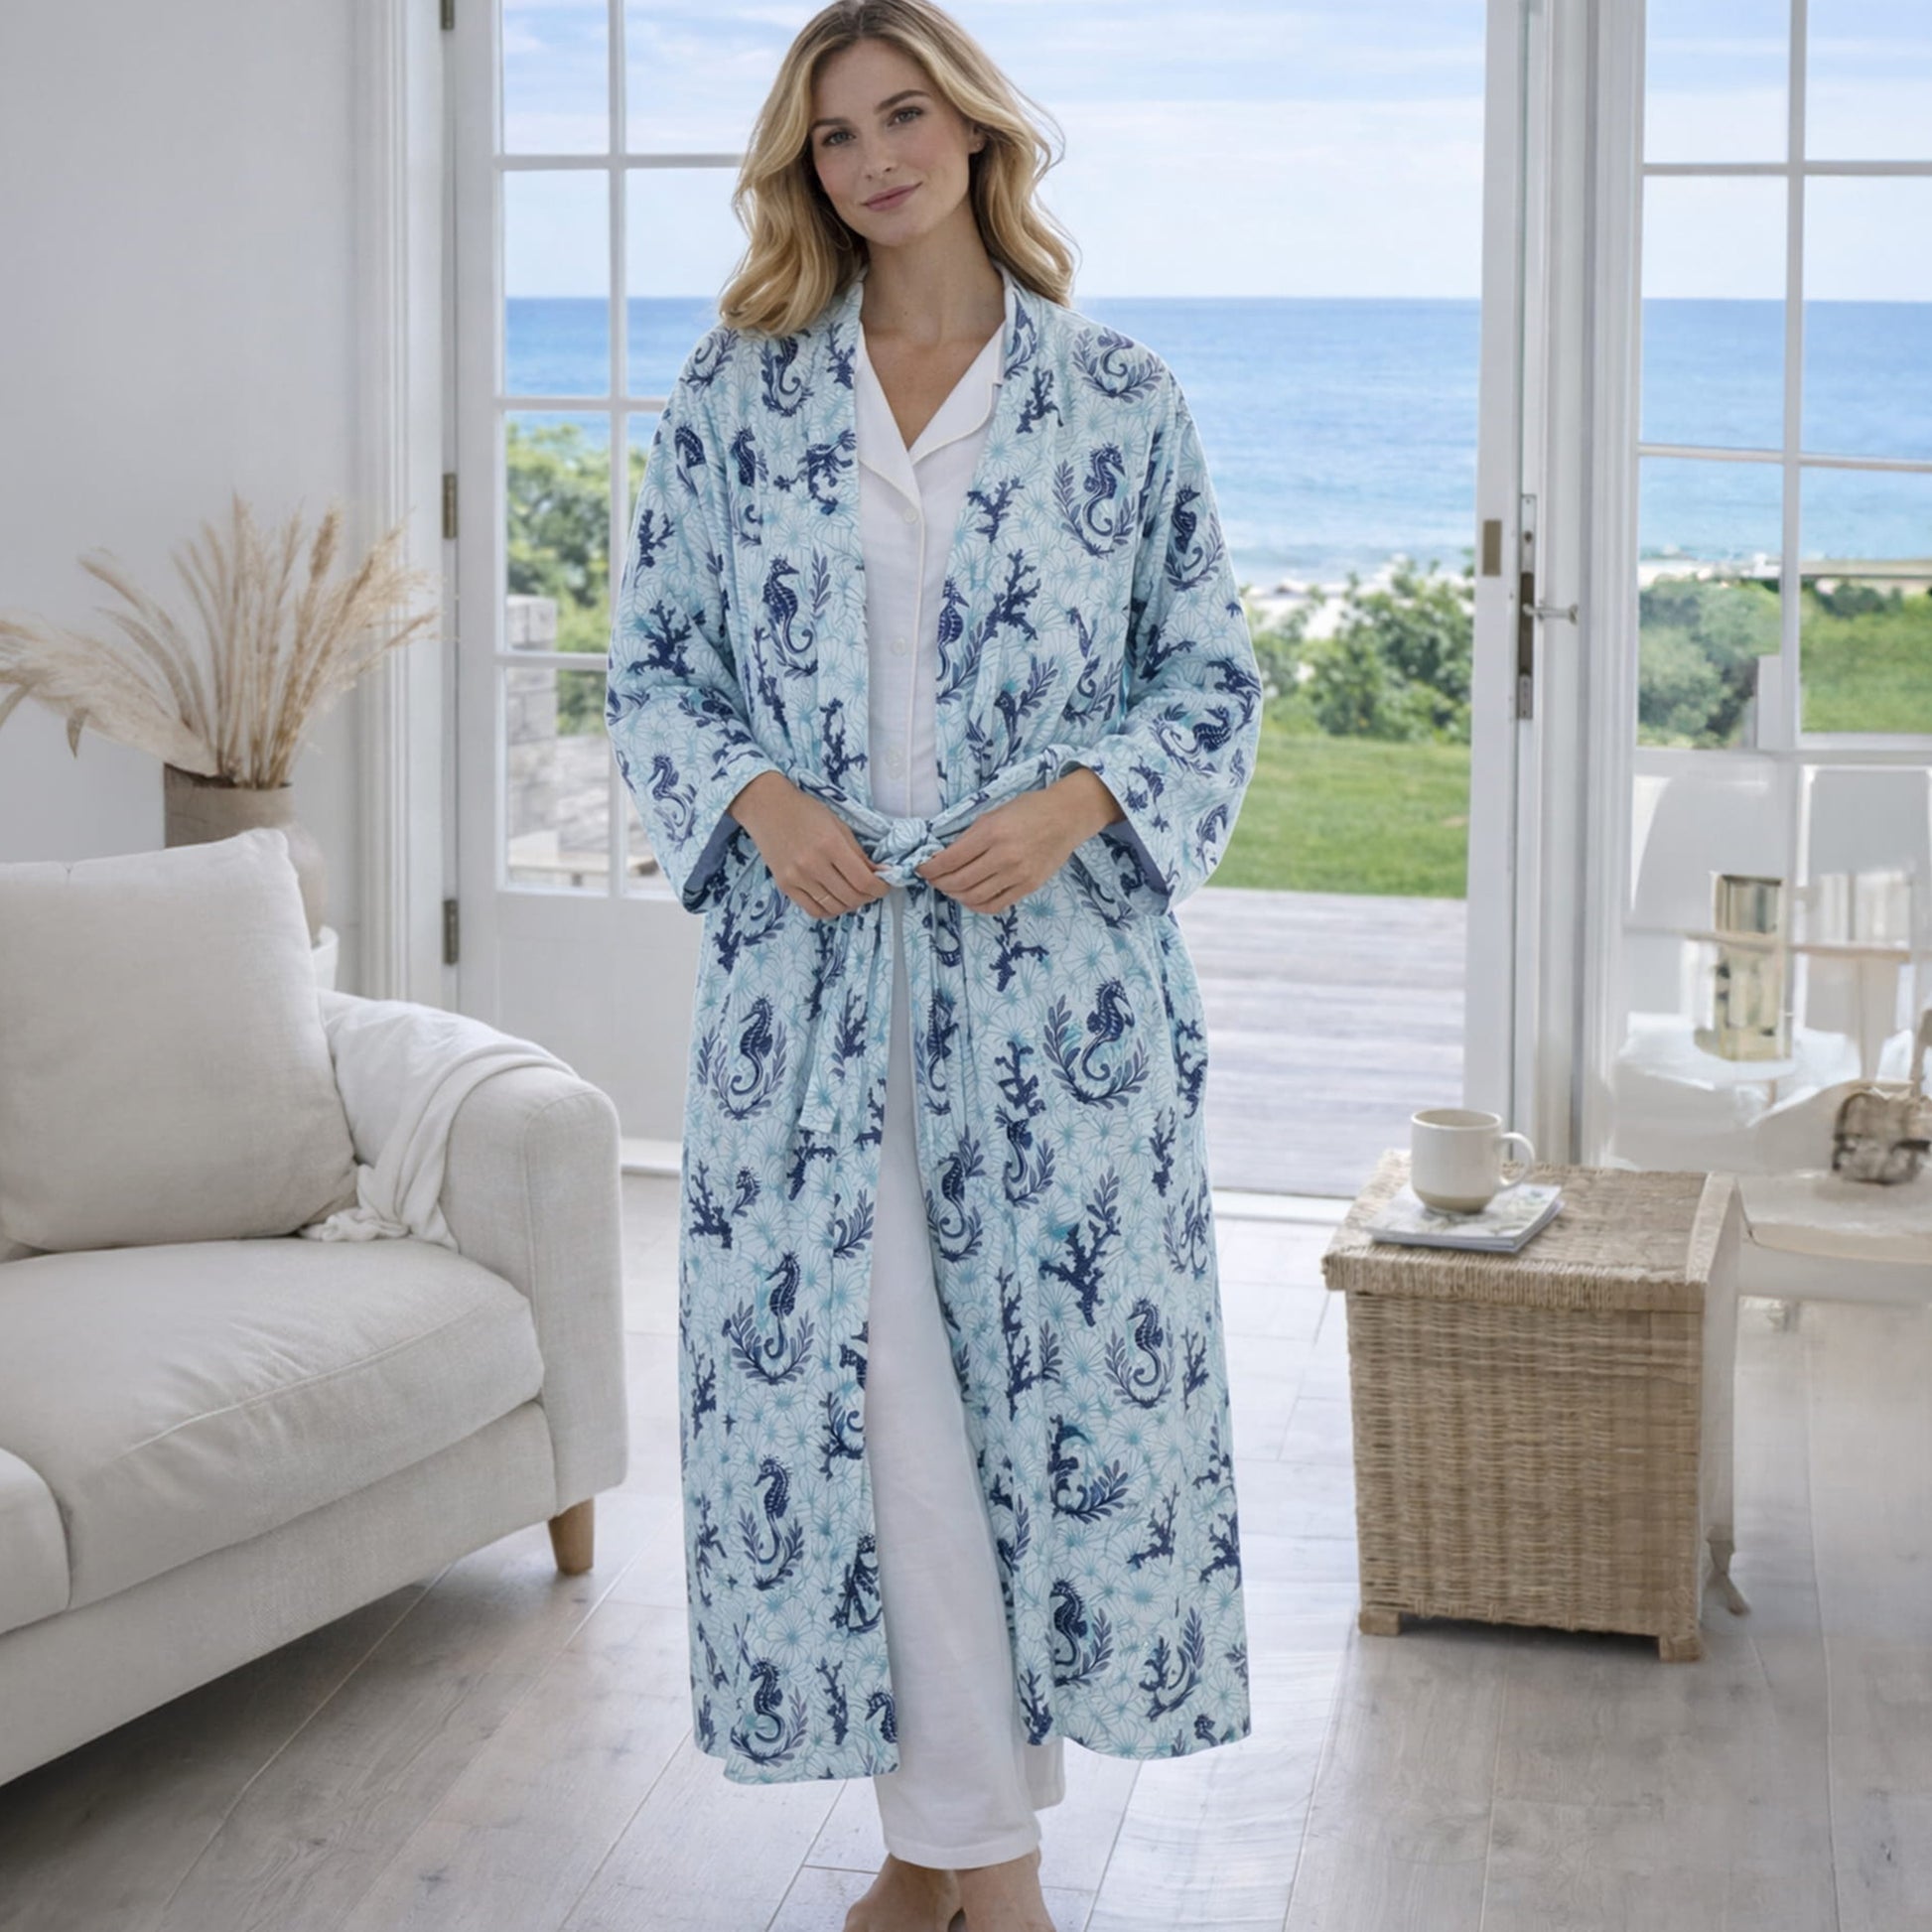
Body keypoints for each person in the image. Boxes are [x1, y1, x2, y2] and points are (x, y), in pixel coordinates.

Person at [606, 6, 1262, 1928]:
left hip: (1050, 998)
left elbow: (1207, 677)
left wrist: (1071, 804)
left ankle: (934, 1857)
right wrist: (748, 796)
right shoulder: (739, 393)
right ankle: (986, 1869)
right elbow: (652, 662)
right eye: (833, 137)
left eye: (905, 115)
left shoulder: (1121, 401)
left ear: (976, 134)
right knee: (869, 1399)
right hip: (806, 992)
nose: (874, 157)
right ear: (803, 171)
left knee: (1024, 1411)